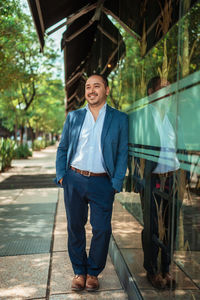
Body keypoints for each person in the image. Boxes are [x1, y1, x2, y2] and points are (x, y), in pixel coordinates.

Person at [55, 74, 128, 292]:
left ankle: (93, 272)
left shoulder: (120, 119)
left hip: (102, 182)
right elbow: (63, 148)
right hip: (74, 179)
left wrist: (116, 182)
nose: (91, 90)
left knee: (102, 229)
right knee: (75, 227)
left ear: (107, 89)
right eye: (88, 87)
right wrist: (62, 175)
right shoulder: (74, 117)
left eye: (96, 86)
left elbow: (123, 152)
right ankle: (79, 271)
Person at [134, 76, 185, 290]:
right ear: (150, 93)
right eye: (162, 89)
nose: (167, 93)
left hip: (172, 179)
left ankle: (166, 269)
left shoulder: (174, 118)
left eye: (169, 90)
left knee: (171, 226)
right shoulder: (142, 118)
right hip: (152, 179)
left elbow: (180, 148)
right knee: (153, 227)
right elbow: (135, 153)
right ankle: (152, 271)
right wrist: (139, 181)